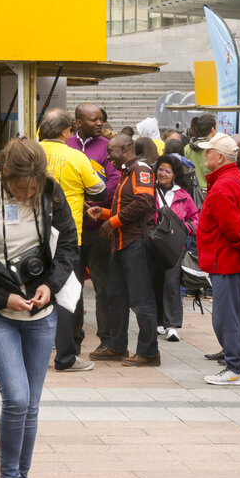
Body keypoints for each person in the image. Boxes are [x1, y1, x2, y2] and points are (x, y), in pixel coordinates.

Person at [0, 138, 78, 478]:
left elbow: (70, 248)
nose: (27, 193)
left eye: (33, 186)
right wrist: (3, 297)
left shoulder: (51, 193)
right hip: (0, 313)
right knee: (16, 398)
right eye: (19, 187)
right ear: (6, 174)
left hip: (41, 315)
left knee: (31, 404)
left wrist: (51, 286)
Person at [39, 108, 108, 372]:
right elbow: (100, 192)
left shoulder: (31, 153)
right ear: (66, 131)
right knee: (68, 295)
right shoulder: (77, 157)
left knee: (32, 289)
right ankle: (66, 356)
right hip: (69, 236)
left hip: (34, 235)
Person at [87, 134, 160, 367]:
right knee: (115, 296)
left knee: (141, 300)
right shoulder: (126, 172)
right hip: (121, 244)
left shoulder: (141, 171)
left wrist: (112, 222)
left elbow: (143, 204)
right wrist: (104, 214)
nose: (108, 156)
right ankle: (117, 346)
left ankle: (149, 352)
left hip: (135, 242)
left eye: (112, 151)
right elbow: (126, 207)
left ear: (126, 148)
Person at [198, 133, 240, 385]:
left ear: (221, 157)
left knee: (226, 316)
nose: (206, 155)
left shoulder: (223, 185)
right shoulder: (238, 178)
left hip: (227, 261)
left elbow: (233, 229)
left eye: (209, 152)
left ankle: (235, 367)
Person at [67, 103, 121, 356]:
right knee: (71, 288)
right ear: (79, 122)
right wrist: (80, 200)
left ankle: (107, 340)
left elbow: (114, 180)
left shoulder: (106, 146)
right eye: (93, 120)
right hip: (71, 230)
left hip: (100, 230)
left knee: (104, 287)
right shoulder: (66, 145)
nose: (99, 123)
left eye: (101, 119)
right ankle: (72, 339)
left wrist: (96, 202)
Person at [152, 155, 199, 342]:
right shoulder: (149, 191)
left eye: (167, 171)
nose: (162, 173)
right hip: (154, 244)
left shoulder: (183, 195)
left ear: (174, 175)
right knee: (154, 282)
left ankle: (172, 325)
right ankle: (158, 322)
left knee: (172, 284)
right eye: (160, 169)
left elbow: (196, 218)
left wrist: (185, 229)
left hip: (174, 246)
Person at [184, 114, 217, 191]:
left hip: (194, 192)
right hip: (211, 191)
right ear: (213, 129)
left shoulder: (187, 148)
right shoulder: (215, 149)